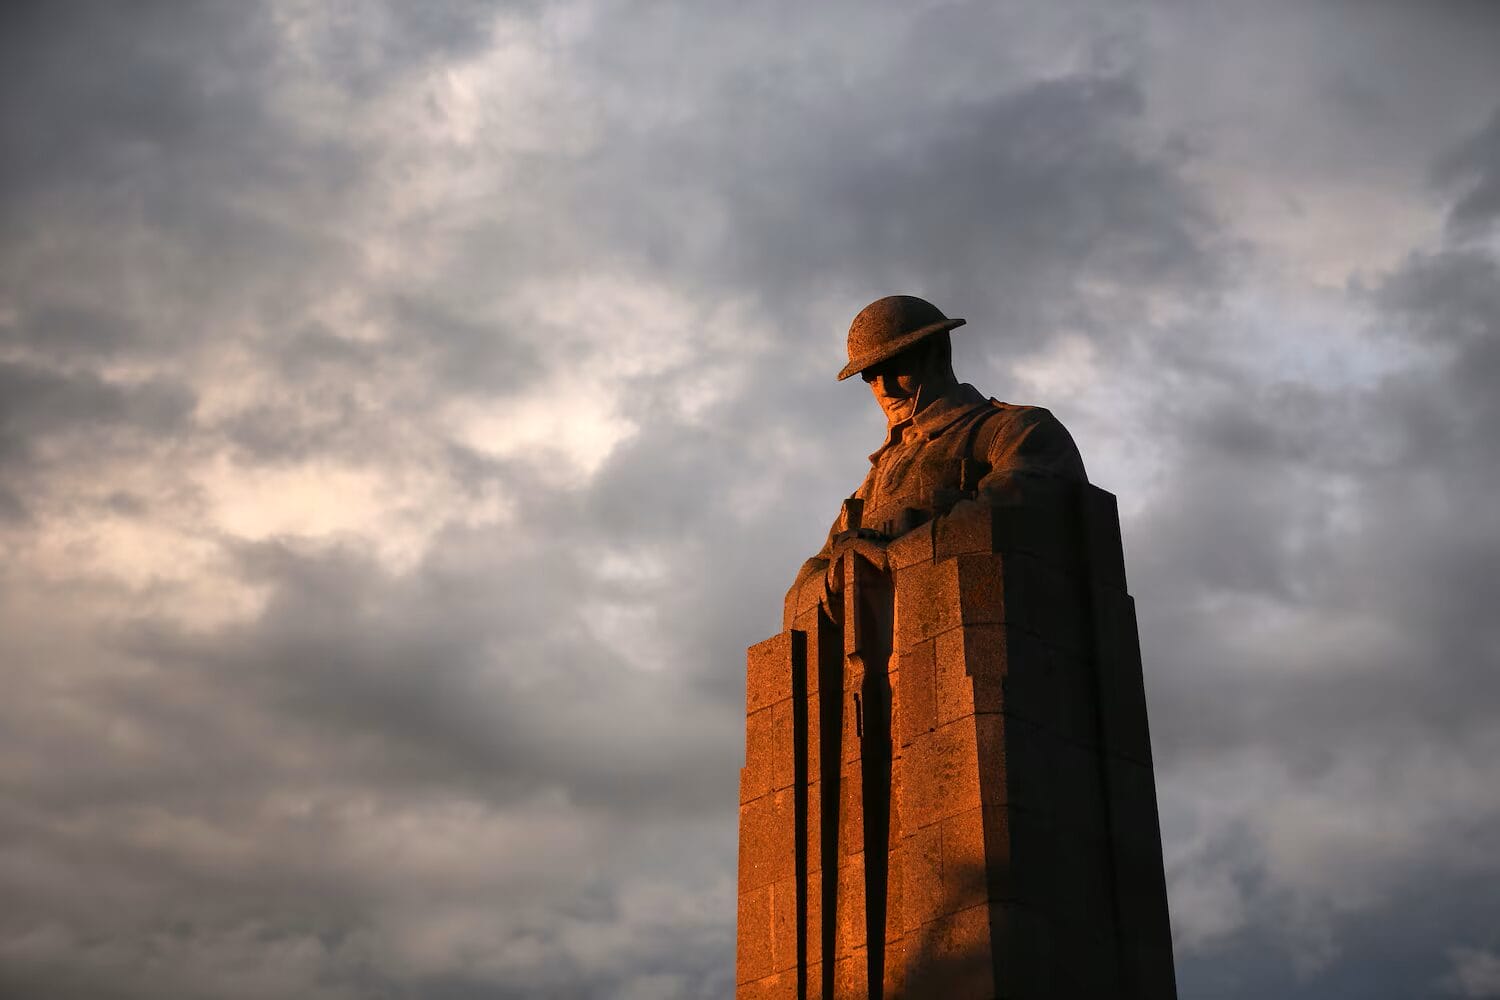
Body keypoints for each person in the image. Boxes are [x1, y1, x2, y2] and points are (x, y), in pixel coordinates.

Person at [786, 294, 1088, 620]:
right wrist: (836, 578)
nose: (884, 388)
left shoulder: (1017, 429)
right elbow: (800, 590)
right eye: (871, 376)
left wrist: (891, 556)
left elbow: (1011, 519)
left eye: (896, 368)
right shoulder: (866, 491)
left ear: (938, 353)